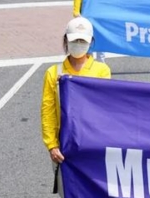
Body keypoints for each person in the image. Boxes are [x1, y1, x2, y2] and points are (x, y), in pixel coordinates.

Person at [41, 17, 111, 196]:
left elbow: (106, 108)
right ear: (65, 40)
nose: (78, 44)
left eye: (83, 41)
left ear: (91, 42)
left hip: (94, 145)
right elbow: (48, 112)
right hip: (65, 149)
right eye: (74, 40)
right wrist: (51, 145)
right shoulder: (53, 73)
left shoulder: (102, 71)